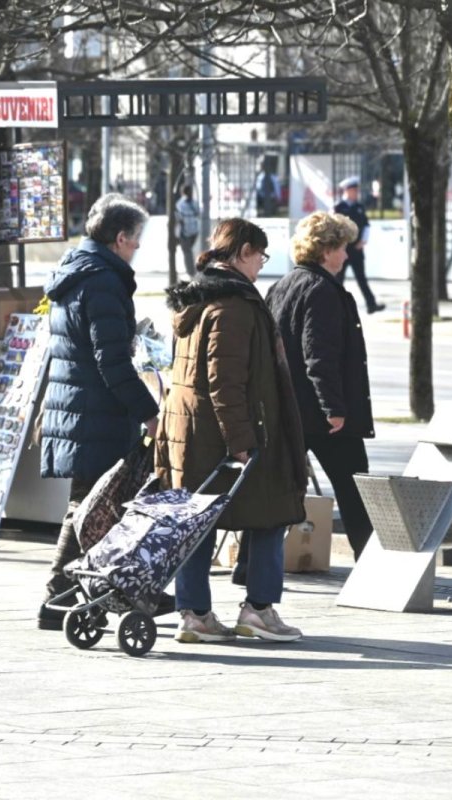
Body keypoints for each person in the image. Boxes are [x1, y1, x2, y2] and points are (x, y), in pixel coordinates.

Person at [156, 218, 308, 643]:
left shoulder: (198, 299)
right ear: (242, 252)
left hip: (192, 435)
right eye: (260, 255)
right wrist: (242, 442)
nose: (262, 263)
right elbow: (226, 382)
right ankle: (258, 609)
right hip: (230, 435)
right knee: (271, 513)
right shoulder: (234, 306)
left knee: (198, 522)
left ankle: (196, 614)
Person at [36, 193, 161, 630]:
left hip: (81, 408)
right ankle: (59, 596)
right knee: (91, 505)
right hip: (96, 412)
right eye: (136, 239)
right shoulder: (104, 280)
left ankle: (106, 591)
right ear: (120, 237)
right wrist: (149, 412)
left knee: (94, 502)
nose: (139, 248)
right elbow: (111, 360)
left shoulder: (78, 271)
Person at [266, 211, 375, 559]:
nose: (347, 255)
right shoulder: (322, 291)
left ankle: (250, 566)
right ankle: (370, 563)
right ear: (326, 250)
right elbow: (320, 356)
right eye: (343, 247)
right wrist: (335, 410)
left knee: (279, 492)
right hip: (324, 417)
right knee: (355, 490)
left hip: (289, 409)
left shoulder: (282, 286)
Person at [333, 176, 385, 314]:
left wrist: (363, 241)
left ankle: (371, 304)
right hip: (341, 250)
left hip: (356, 250)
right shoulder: (338, 207)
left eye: (357, 190)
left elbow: (366, 225)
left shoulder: (359, 207)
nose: (356, 193)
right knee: (338, 280)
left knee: (361, 278)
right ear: (348, 191)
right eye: (354, 190)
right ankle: (335, 306)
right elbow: (333, 228)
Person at [174, 184, 200, 278]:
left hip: (189, 231)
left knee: (188, 251)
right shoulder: (189, 203)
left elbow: (178, 218)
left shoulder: (184, 204)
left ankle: (191, 271)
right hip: (189, 231)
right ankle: (191, 271)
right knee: (188, 251)